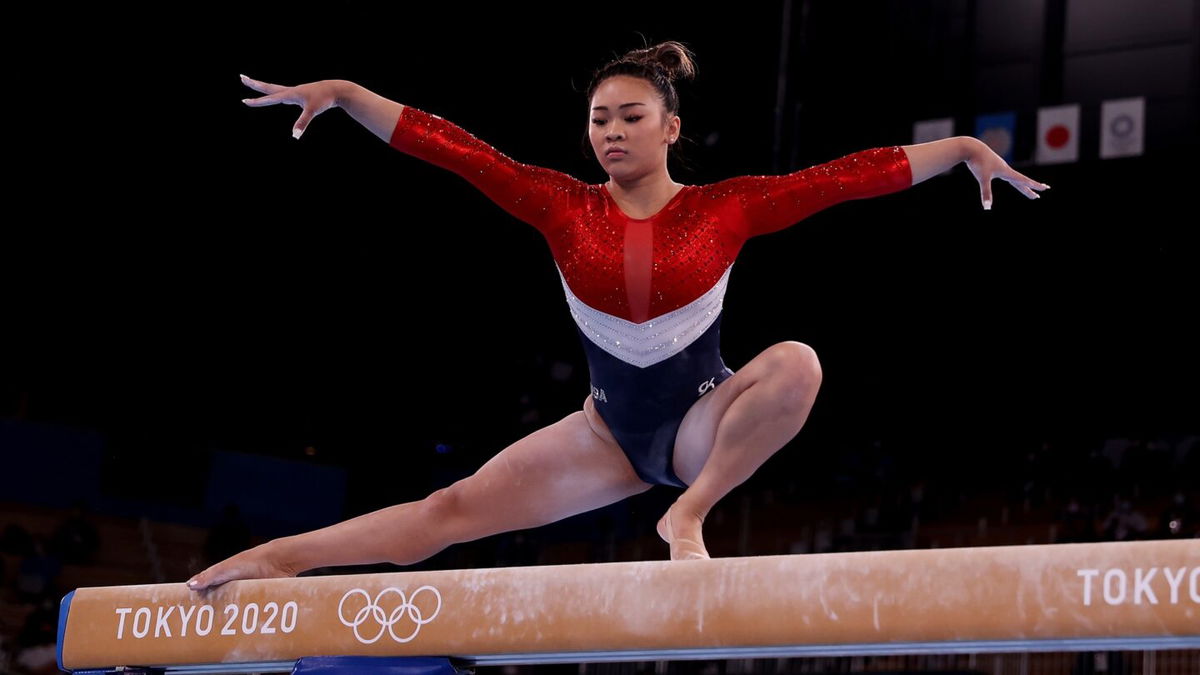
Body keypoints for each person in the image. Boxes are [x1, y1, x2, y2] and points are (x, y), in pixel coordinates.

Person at [188, 41, 1048, 591]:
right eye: (598, 119)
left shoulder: (729, 207)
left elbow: (848, 175)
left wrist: (965, 150)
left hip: (700, 424)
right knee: (442, 516)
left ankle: (690, 514)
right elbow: (452, 147)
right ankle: (277, 556)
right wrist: (344, 91)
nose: (610, 131)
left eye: (631, 116)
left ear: (671, 127)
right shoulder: (558, 203)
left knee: (798, 363)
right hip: (606, 434)